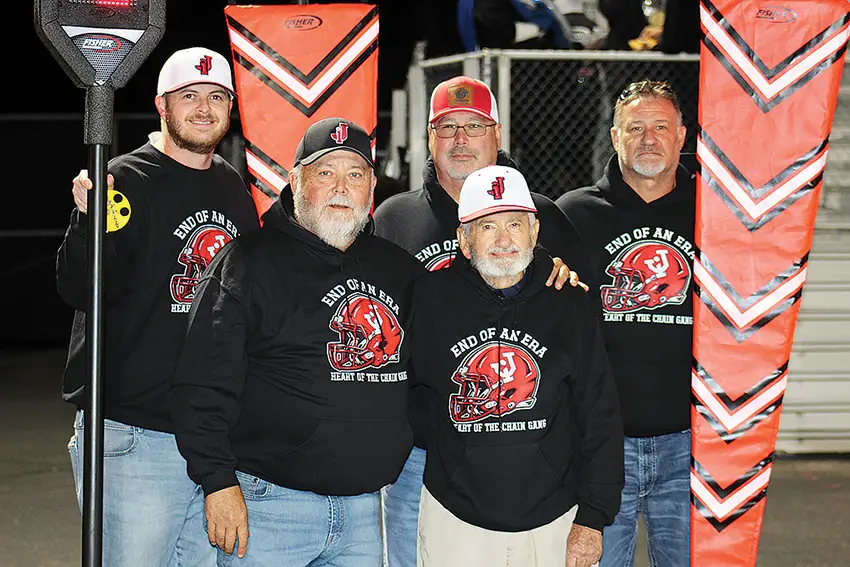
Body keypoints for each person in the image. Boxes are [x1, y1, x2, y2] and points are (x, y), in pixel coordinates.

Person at [169, 117, 423, 566]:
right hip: (268, 509)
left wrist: (543, 280)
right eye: (326, 173)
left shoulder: (399, 271)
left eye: (355, 174)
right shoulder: (247, 262)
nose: (341, 187)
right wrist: (217, 483)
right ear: (296, 180)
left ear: (372, 188)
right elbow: (201, 385)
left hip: (367, 512)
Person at [373, 74, 592, 567]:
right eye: (446, 128)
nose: (460, 140)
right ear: (429, 137)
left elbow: (579, 331)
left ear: (497, 135)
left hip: (519, 450)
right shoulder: (392, 219)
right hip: (418, 455)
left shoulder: (543, 217)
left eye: (474, 127)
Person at [56, 47, 260, 567]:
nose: (203, 108)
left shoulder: (232, 187)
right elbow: (78, 288)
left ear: (230, 110)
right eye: (188, 96)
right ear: (161, 106)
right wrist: (87, 222)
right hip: (135, 435)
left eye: (216, 97)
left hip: (208, 441)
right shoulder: (124, 180)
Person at [411, 165, 623, 567]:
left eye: (515, 223)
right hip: (455, 518)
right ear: (464, 240)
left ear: (535, 232)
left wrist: (593, 518)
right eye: (487, 227)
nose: (504, 240)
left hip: (555, 519)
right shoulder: (428, 300)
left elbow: (600, 415)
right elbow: (401, 391)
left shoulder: (569, 302)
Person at [556, 80, 695, 567]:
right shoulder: (572, 215)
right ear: (615, 137)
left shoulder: (714, 213)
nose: (649, 139)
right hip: (598, 447)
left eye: (661, 126)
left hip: (690, 444)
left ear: (682, 136)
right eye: (635, 128)